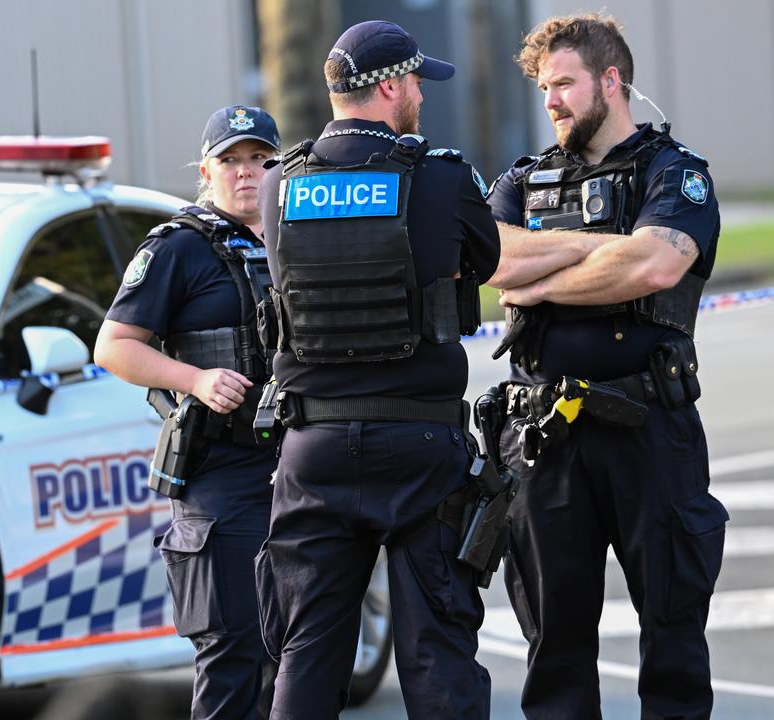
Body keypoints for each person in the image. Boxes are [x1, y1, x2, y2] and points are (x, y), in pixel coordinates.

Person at [254, 20, 500, 720]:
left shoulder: (278, 187)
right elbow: (483, 262)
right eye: (417, 80)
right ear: (390, 86)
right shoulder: (444, 178)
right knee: (438, 652)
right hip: (419, 446)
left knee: (306, 653)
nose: (421, 91)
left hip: (313, 450)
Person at [484, 12, 726, 720]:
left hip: (650, 426)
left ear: (611, 81)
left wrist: (546, 273)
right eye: (542, 87)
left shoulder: (674, 173)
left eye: (563, 83)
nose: (551, 100)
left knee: (674, 637)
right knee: (553, 645)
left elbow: (655, 263)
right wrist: (605, 249)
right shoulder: (522, 182)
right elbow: (496, 264)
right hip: (544, 436)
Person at [93, 105, 280, 720]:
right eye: (231, 160)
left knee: (297, 657)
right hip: (222, 470)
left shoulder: (301, 238)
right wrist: (195, 378)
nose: (247, 173)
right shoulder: (180, 248)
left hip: (302, 465)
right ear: (207, 169)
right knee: (233, 653)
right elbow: (114, 345)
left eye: (261, 160)